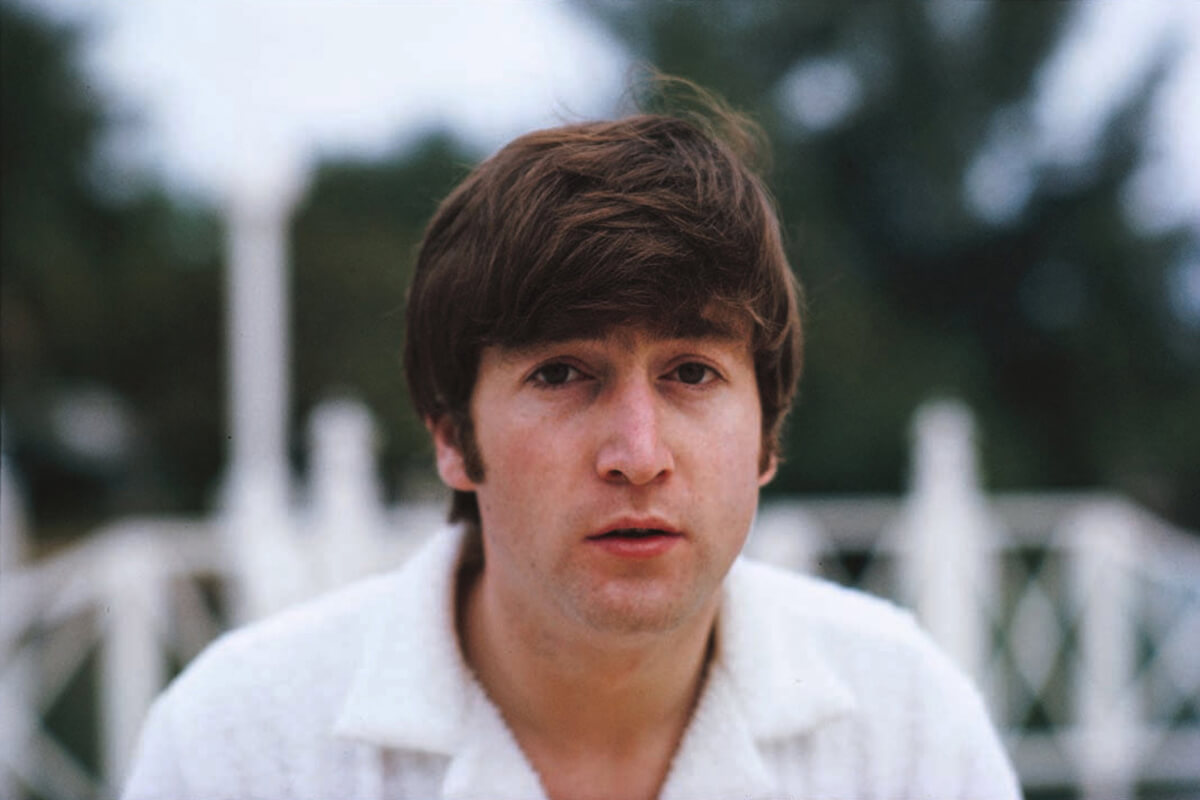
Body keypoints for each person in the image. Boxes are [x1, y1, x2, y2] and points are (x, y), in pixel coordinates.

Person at [123, 85, 1022, 800]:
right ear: (452, 435)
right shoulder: (238, 746)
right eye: (561, 374)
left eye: (692, 373)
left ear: (767, 436)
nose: (638, 453)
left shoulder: (907, 727)